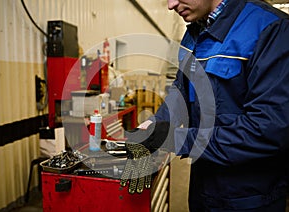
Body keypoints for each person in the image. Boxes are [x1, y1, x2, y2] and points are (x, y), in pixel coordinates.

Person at [120, 0, 289, 211]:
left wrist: (176, 139)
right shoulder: (194, 33)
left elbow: (268, 130)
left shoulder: (271, 29)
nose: (171, 5)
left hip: (249, 199)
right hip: (202, 190)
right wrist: (153, 126)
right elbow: (181, 91)